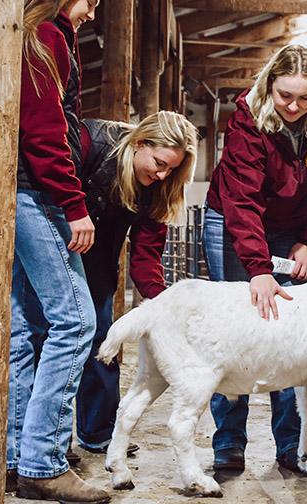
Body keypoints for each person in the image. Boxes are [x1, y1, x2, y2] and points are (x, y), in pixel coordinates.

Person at [203, 44, 307, 472]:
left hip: (292, 227)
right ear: (270, 85)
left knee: (293, 336)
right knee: (236, 330)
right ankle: (228, 442)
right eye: (285, 95)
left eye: (305, 98)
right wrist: (258, 269)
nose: (293, 106)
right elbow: (242, 201)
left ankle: (291, 446)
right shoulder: (246, 121)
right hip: (233, 222)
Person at [6, 0, 110, 504]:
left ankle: (16, 456)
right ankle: (44, 462)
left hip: (23, 193)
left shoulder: (31, 35)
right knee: (75, 323)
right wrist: (74, 205)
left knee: (27, 328)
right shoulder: (49, 35)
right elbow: (46, 132)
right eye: (89, 1)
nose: (91, 14)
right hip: (39, 195)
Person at [75, 111, 198, 454]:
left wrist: (162, 304)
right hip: (56, 252)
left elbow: (146, 255)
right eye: (159, 162)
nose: (162, 174)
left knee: (103, 344)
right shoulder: (93, 141)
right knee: (46, 341)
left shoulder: (158, 189)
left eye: (171, 169)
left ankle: (98, 433)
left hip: (99, 267)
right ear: (140, 143)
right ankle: (39, 443)